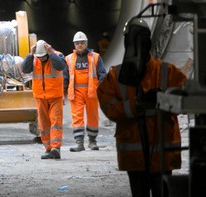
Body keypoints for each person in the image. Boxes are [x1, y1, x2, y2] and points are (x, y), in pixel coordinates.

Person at [97, 18, 187, 197]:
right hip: (139, 157)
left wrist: (162, 98)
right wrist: (137, 104)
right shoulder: (116, 76)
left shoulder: (166, 72)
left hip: (158, 155)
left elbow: (186, 100)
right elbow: (110, 109)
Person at [21, 39, 67, 159]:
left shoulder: (57, 55)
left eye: (43, 56)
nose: (41, 59)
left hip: (55, 96)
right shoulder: (34, 58)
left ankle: (56, 148)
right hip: (41, 97)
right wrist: (30, 54)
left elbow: (61, 66)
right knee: (44, 124)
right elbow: (24, 69)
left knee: (55, 122)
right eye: (39, 56)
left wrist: (51, 52)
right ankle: (48, 148)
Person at [63, 31, 107, 152]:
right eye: (77, 43)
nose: (80, 45)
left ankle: (92, 141)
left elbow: (102, 74)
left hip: (92, 92)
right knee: (77, 117)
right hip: (76, 93)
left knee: (93, 117)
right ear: (74, 45)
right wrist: (62, 93)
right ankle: (79, 143)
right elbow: (65, 77)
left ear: (86, 43)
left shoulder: (95, 57)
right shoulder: (69, 59)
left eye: (82, 43)